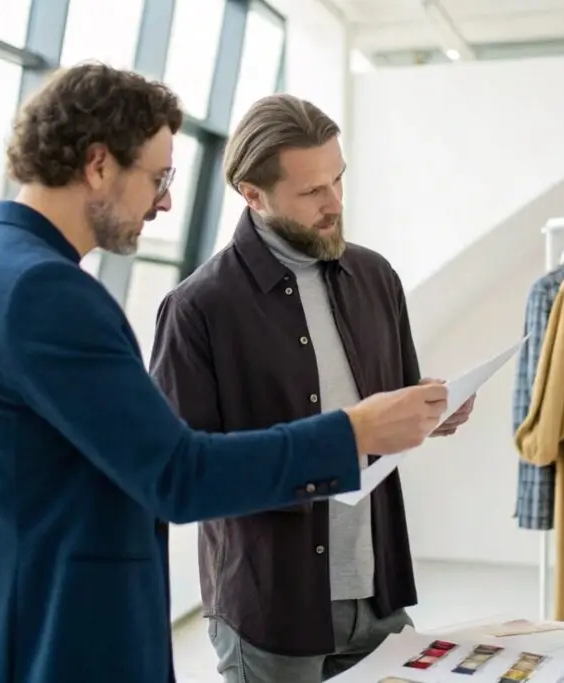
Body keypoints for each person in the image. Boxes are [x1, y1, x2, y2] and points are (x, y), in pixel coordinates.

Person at [0, 64, 449, 683]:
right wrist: (350, 433)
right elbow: (178, 474)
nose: (164, 201)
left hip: (0, 627)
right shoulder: (44, 293)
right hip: (52, 640)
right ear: (99, 165)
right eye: (158, 177)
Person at [149, 93, 476, 683]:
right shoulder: (198, 309)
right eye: (312, 192)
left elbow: (389, 400)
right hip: (271, 607)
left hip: (379, 592)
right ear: (253, 194)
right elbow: (184, 478)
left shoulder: (376, 277)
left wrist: (432, 408)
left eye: (339, 179)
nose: (336, 203)